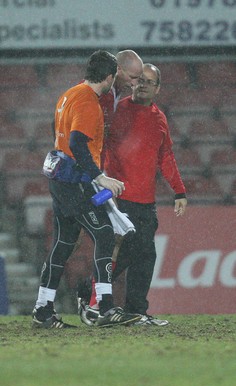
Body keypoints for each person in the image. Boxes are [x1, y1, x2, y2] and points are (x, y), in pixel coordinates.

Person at [32, 50, 141, 329]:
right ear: (108, 77)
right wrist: (100, 178)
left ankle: (43, 309)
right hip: (74, 181)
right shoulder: (89, 103)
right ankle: (105, 307)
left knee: (63, 244)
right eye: (113, 76)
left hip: (59, 178)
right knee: (104, 233)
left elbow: (60, 133)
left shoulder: (69, 94)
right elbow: (78, 142)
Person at [78, 63, 187, 326]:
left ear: (158, 88)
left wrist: (179, 191)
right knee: (117, 253)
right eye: (141, 80)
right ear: (133, 82)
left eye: (150, 81)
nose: (144, 85)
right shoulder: (115, 108)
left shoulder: (159, 118)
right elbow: (96, 141)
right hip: (117, 197)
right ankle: (94, 302)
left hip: (145, 203)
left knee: (144, 255)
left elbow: (167, 156)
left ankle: (131, 309)